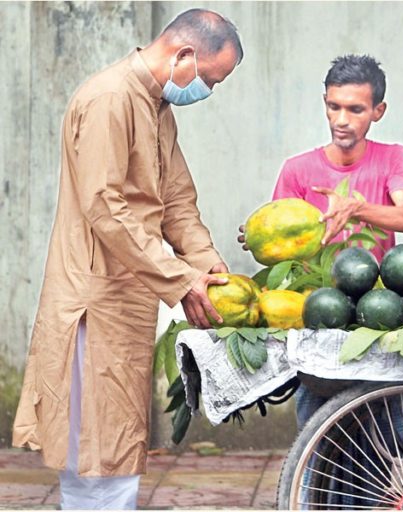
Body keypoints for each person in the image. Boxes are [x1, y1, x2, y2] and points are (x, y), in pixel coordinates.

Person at [12, 9, 243, 510]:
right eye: (210, 79)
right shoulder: (110, 99)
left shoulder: (157, 106)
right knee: (95, 453)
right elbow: (105, 207)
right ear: (184, 56)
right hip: (92, 300)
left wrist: (209, 269)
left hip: (128, 296)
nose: (208, 92)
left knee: (116, 446)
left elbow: (177, 202)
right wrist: (181, 280)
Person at [240, 54, 403, 427]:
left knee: (388, 433)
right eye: (333, 106)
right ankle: (311, 484)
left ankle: (391, 481)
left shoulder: (394, 158)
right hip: (317, 313)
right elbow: (278, 243)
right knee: (318, 429)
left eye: (355, 109)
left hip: (380, 310)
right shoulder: (297, 170)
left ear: (378, 111)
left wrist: (356, 209)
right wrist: (260, 241)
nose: (341, 120)